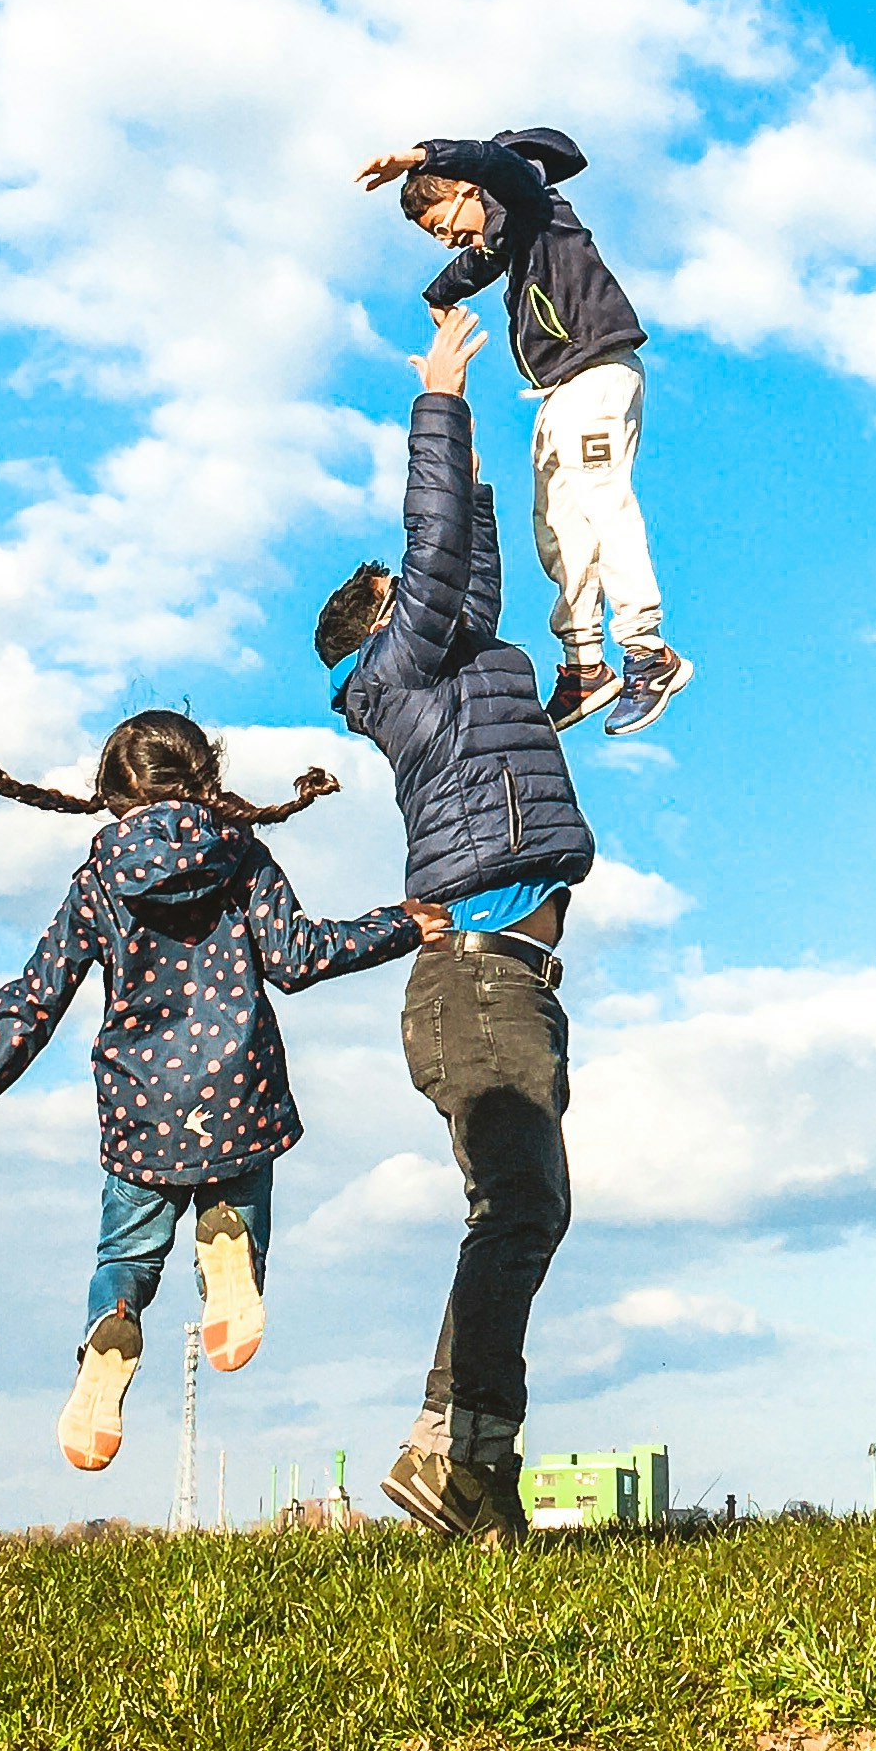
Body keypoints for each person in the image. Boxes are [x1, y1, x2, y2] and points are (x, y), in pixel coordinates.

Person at [0, 703, 435, 1475]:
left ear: (114, 797)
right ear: (205, 779)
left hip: (142, 1110)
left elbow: (34, 1000)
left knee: (124, 1256)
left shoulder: (99, 883)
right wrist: (403, 924)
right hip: (238, 1094)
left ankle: (112, 1322)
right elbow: (299, 958)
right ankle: (229, 1251)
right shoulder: (240, 857)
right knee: (236, 1217)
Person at [313, 301, 596, 1545]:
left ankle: (472, 1474)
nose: (432, 593)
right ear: (383, 626)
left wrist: (474, 473)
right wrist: (439, 400)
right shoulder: (399, 673)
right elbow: (432, 559)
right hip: (476, 980)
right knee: (521, 1209)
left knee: (525, 1209)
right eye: (407, 593)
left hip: (501, 979)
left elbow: (459, 566)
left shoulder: (441, 664)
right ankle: (452, 1452)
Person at [354, 124, 693, 739]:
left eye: (441, 224)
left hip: (596, 372)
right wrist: (439, 293)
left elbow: (497, 166)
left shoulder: (528, 199)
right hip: (559, 389)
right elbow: (474, 264)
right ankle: (585, 664)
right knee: (557, 525)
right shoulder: (506, 240)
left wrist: (420, 156)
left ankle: (648, 651)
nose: (445, 239)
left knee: (602, 502)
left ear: (466, 189)